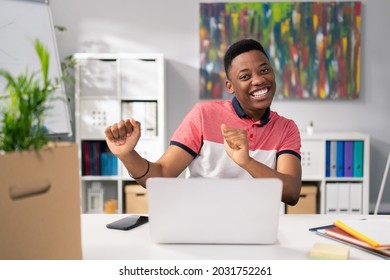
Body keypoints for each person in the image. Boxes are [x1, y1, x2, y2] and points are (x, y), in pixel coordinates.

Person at [104, 38, 302, 205]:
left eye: (264, 70)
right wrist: (127, 154)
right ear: (230, 86)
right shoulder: (203, 114)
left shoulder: (286, 128)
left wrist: (246, 162)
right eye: (245, 76)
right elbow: (162, 174)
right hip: (199, 222)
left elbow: (292, 192)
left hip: (258, 226)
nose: (258, 80)